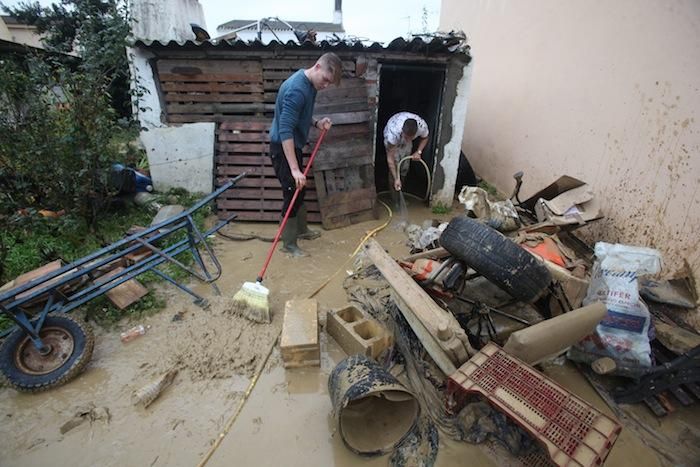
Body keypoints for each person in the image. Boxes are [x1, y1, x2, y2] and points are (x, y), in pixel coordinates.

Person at [269, 52, 342, 257]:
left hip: (294, 146)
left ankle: (302, 230)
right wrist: (293, 169)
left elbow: (301, 115)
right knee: (292, 191)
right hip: (283, 148)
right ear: (317, 66)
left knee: (300, 189)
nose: (326, 85)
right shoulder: (297, 90)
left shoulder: (311, 85)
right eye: (326, 80)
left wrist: (317, 123)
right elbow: (285, 129)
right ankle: (289, 245)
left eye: (330, 83)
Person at [383, 112, 430, 192]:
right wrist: (396, 178)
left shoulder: (422, 126)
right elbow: (390, 159)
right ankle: (394, 197)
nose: (408, 139)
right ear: (402, 131)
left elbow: (425, 138)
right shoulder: (393, 133)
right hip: (394, 140)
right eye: (406, 137)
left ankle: (401, 188)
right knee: (395, 165)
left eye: (410, 137)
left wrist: (418, 152)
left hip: (404, 137)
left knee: (404, 167)